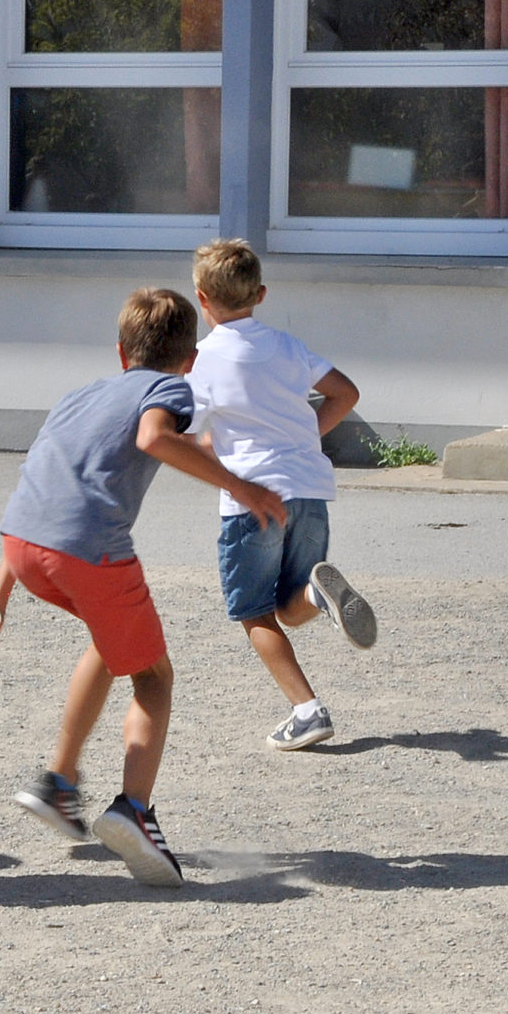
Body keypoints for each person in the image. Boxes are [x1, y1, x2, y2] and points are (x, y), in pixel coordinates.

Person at [0, 288, 287, 887]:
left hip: (24, 544)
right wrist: (245, 490)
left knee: (112, 644)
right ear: (189, 357)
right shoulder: (170, 389)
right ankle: (132, 811)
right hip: (89, 549)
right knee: (153, 675)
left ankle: (59, 783)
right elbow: (154, 438)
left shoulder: (80, 396)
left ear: (120, 352)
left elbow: (42, 483)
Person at [187, 238, 376, 750]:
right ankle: (319, 592)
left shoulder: (201, 360)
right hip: (309, 488)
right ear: (261, 294)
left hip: (252, 497)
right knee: (292, 606)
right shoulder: (287, 346)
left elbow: (190, 434)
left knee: (253, 611)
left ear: (202, 298)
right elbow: (346, 393)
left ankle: (307, 710)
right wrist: (304, 436)